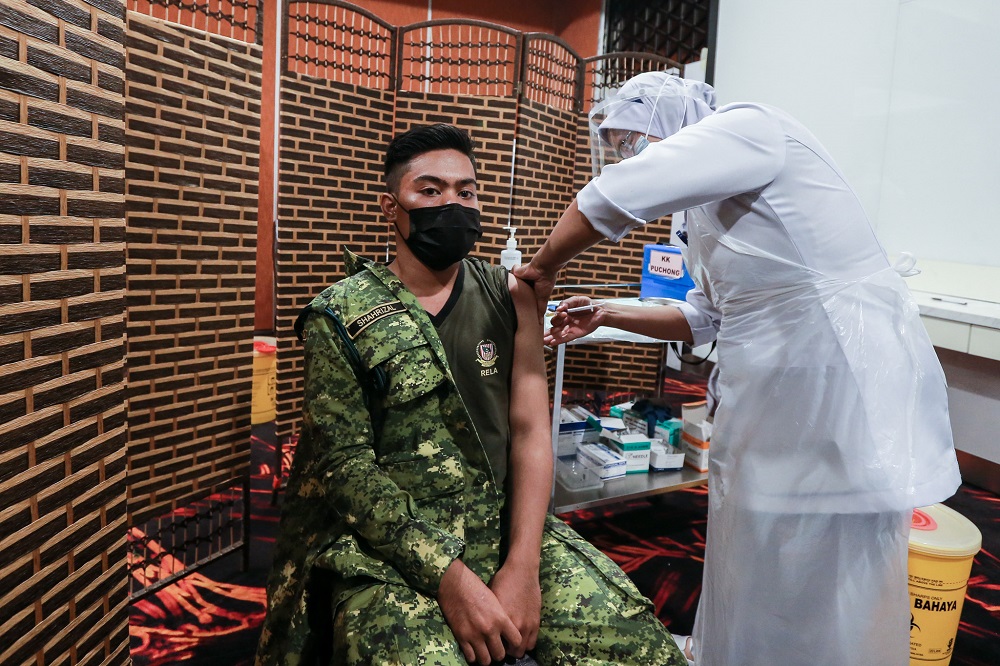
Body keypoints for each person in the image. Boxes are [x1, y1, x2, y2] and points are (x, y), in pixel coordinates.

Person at [515, 72, 962, 666]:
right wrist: (606, 311)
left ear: (671, 118)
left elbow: (609, 198)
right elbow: (705, 315)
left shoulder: (750, 129)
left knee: (820, 552)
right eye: (618, 144)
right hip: (776, 384)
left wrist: (543, 267)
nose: (627, 154)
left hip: (830, 374)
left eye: (632, 139)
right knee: (756, 540)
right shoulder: (704, 211)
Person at [254, 123, 687, 666]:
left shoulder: (509, 294)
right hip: (392, 545)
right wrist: (450, 578)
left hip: (501, 526)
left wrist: (522, 568)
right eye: (430, 191)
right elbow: (347, 471)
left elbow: (530, 433)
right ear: (392, 208)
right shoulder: (338, 315)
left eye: (467, 191)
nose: (452, 205)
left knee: (642, 649)